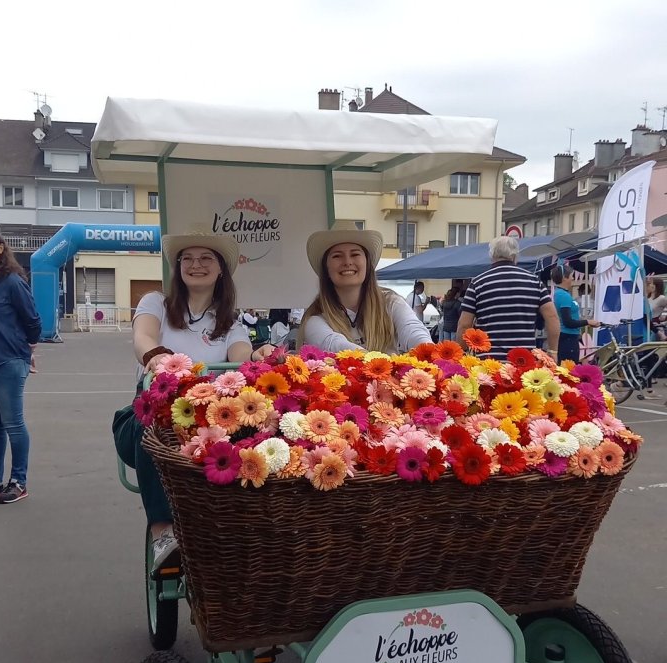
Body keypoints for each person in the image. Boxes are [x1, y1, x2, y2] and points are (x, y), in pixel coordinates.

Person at [113, 232, 272, 572]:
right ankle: (162, 531)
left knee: (258, 432)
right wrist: (154, 356)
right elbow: (143, 336)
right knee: (154, 423)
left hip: (207, 427)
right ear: (178, 267)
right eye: (188, 258)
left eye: (206, 259)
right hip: (150, 424)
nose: (196, 265)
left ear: (221, 270)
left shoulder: (230, 324)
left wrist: (258, 357)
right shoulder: (155, 302)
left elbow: (242, 357)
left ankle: (247, 529)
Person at [300, 220, 432, 353]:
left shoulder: (390, 302)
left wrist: (430, 352)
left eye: (355, 254)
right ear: (326, 269)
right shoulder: (314, 318)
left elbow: (412, 330)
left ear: (367, 264)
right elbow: (335, 345)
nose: (347, 262)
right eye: (337, 256)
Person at [0, 228, 42, 504]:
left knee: (13, 423)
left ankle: (18, 482)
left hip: (8, 360)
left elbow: (32, 320)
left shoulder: (12, 282)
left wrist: (28, 349)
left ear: (0, 247)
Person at [456, 235, 560, 361]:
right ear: (515, 256)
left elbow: (464, 324)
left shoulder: (478, 283)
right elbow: (552, 317)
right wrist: (552, 350)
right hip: (523, 361)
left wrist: (460, 353)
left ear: (492, 255)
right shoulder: (534, 281)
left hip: (488, 362)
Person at [551, 265, 600, 364]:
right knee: (569, 369)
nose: (573, 278)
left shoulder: (561, 293)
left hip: (569, 336)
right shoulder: (563, 296)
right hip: (567, 338)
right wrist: (587, 321)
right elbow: (568, 322)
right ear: (565, 277)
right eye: (571, 276)